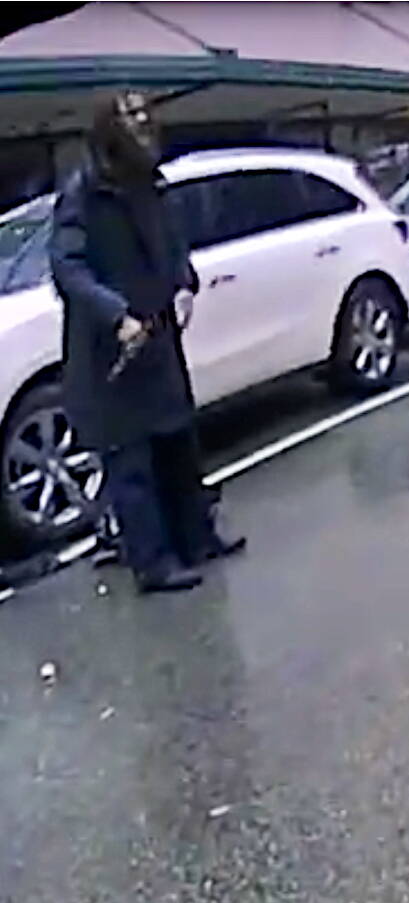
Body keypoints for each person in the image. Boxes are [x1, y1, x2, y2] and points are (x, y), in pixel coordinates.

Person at [50, 91, 243, 595]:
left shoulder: (152, 184)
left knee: (180, 447)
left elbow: (174, 247)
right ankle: (153, 565)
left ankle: (197, 539)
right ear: (108, 131)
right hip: (113, 354)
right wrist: (115, 315)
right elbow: (68, 267)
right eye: (129, 118)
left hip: (160, 340)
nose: (141, 125)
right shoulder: (83, 194)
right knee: (132, 464)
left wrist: (184, 284)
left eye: (143, 116)